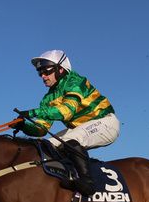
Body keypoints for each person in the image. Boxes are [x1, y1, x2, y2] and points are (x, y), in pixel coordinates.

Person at [15, 50, 120, 193]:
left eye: (46, 72)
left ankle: (87, 184)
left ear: (60, 69)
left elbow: (66, 111)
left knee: (70, 139)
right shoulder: (48, 98)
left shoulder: (74, 81)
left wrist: (33, 112)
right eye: (40, 73)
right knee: (46, 145)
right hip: (81, 128)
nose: (43, 77)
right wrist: (24, 126)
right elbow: (41, 129)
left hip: (105, 123)